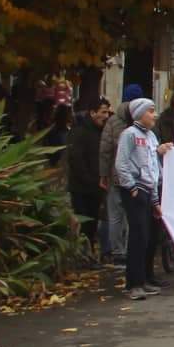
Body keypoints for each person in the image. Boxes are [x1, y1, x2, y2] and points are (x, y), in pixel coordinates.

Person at [114, 97, 167, 300]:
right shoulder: (129, 135)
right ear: (139, 114)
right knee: (138, 237)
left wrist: (155, 200)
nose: (154, 115)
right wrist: (132, 187)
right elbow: (122, 163)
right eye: (150, 111)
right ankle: (133, 283)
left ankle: (143, 279)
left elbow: (153, 169)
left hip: (147, 190)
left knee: (147, 237)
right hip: (135, 190)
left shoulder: (152, 137)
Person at [100, 82, 143, 261]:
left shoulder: (112, 120)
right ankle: (130, 249)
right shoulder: (142, 119)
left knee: (115, 215)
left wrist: (103, 174)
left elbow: (105, 149)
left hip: (116, 175)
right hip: (137, 176)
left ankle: (117, 251)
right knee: (132, 215)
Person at [66, 99, 112, 250]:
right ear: (93, 113)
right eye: (103, 112)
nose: (106, 116)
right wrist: (89, 179)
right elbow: (76, 158)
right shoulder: (80, 131)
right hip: (81, 187)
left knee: (92, 223)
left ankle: (90, 251)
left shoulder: (102, 132)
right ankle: (83, 253)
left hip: (96, 186)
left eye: (107, 112)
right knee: (84, 222)